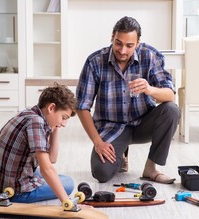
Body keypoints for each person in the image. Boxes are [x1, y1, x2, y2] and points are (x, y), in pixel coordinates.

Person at [76, 16, 180, 184]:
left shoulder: (150, 56)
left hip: (143, 123)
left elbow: (170, 95)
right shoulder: (95, 62)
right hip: (112, 127)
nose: (123, 50)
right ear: (112, 37)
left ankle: (151, 168)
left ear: (138, 43)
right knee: (101, 173)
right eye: (118, 43)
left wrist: (149, 89)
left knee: (171, 110)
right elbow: (82, 107)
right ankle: (121, 152)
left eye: (129, 45)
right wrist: (98, 142)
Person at [0, 83, 77, 204]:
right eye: (64, 117)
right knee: (67, 182)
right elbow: (47, 169)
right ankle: (0, 187)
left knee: (46, 175)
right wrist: (67, 202)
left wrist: (56, 126)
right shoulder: (36, 123)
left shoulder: (28, 114)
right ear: (51, 108)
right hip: (15, 191)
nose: (64, 123)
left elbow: (52, 159)